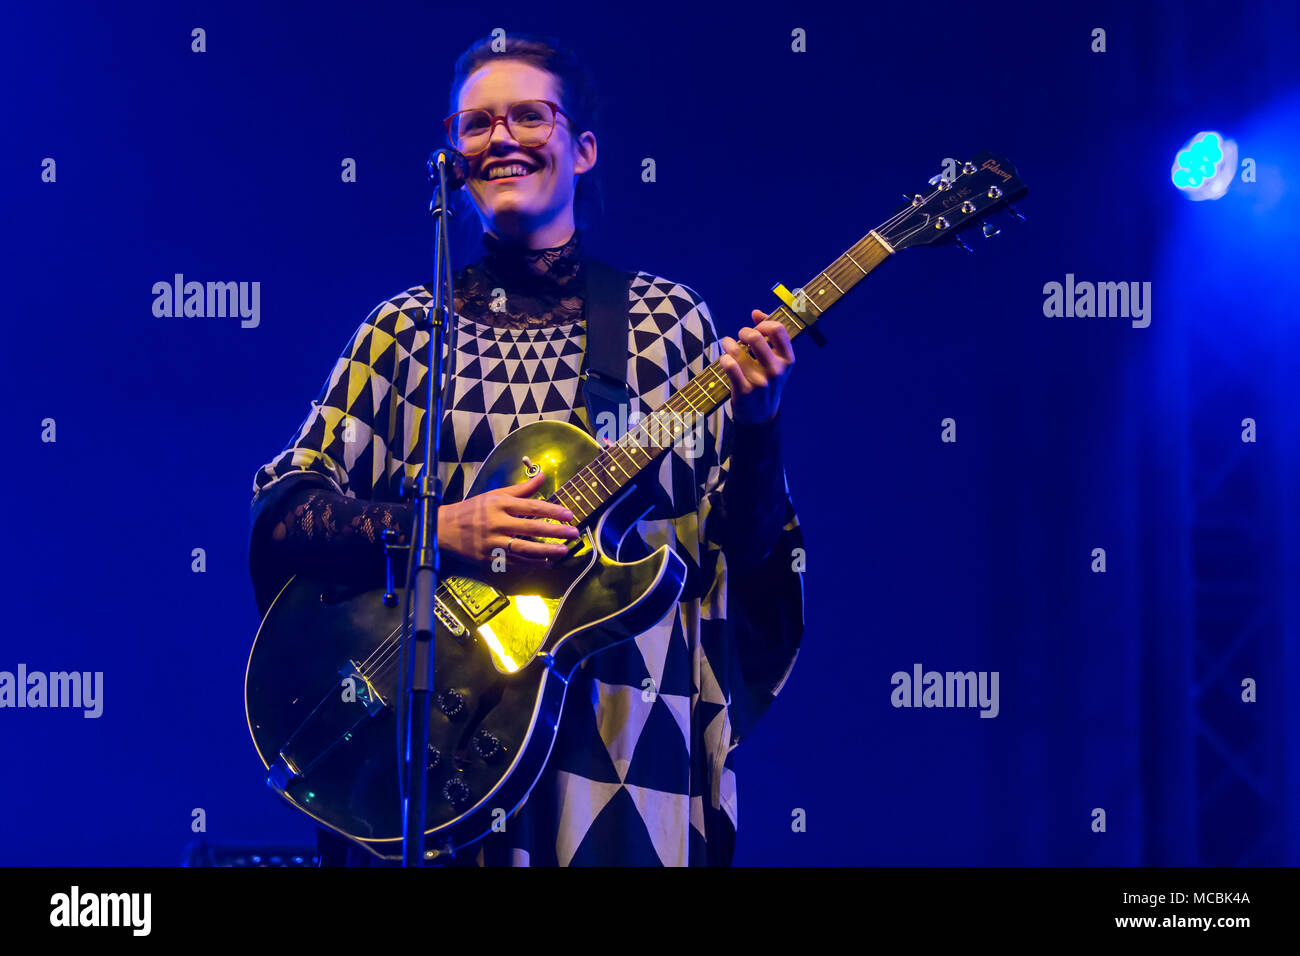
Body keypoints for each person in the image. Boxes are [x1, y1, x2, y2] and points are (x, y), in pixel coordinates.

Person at [247, 33, 805, 866]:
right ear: (452, 157)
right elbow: (285, 518)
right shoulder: (403, 332)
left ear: (581, 149)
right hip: (434, 758)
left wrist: (760, 425)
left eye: (528, 116)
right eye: (476, 124)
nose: (501, 137)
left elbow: (744, 560)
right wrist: (441, 532)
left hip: (621, 750)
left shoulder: (666, 324)